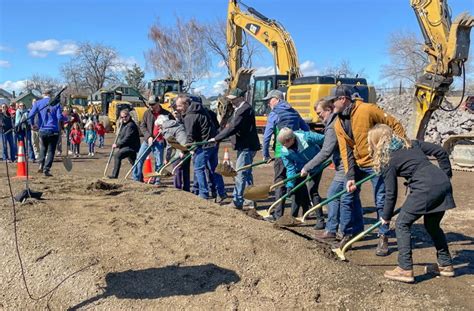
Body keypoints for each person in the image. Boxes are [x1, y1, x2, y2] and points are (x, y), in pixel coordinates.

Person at [367, 124, 455, 283]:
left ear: (375, 141)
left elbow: (391, 194)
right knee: (432, 226)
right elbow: (441, 151)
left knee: (401, 224)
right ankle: (445, 264)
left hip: (424, 187)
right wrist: (445, 175)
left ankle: (405, 268)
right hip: (442, 183)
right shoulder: (411, 143)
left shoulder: (388, 160)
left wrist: (385, 217)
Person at [331, 85, 406, 255]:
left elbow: (394, 124)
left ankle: (383, 236)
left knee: (381, 200)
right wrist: (350, 175)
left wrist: (396, 150)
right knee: (346, 197)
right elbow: (346, 151)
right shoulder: (338, 124)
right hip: (357, 163)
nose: (332, 105)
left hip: (376, 164)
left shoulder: (367, 110)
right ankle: (350, 232)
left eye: (333, 101)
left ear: (343, 99)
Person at [302, 98, 359, 238]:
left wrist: (307, 167)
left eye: (320, 113)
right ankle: (355, 229)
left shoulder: (333, 126)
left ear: (329, 110)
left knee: (333, 194)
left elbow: (326, 151)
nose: (319, 117)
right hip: (347, 163)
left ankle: (333, 230)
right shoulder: (334, 122)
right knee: (351, 198)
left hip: (346, 165)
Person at [262, 89, 310, 221]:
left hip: (281, 152)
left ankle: (278, 214)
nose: (268, 103)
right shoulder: (294, 112)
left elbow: (267, 136)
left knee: (280, 182)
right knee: (298, 179)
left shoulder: (275, 113)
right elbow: (306, 129)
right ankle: (301, 211)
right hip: (297, 152)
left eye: (269, 100)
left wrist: (265, 154)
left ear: (276, 99)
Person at [211, 88, 261, 209]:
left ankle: (237, 201)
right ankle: (250, 201)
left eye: (233, 99)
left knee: (240, 173)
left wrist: (217, 138)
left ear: (241, 98)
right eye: (230, 99)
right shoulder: (239, 109)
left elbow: (233, 127)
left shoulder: (244, 109)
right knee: (246, 173)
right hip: (246, 146)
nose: (231, 102)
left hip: (246, 147)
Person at [175, 94, 226, 200]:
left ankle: (203, 194)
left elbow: (190, 136)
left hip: (203, 146)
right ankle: (221, 192)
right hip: (212, 144)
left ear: (186, 104)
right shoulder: (202, 110)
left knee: (198, 169)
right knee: (214, 169)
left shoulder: (190, 116)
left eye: (179, 106)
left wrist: (185, 150)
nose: (177, 108)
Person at [277, 127, 324, 218]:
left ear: (290, 139)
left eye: (284, 143)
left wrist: (327, 155)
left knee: (313, 190)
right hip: (301, 167)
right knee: (296, 189)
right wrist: (290, 185)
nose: (283, 146)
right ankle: (293, 217)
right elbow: (290, 168)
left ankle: (320, 220)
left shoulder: (306, 137)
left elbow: (326, 140)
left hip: (316, 165)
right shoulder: (284, 151)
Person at [132, 95, 173, 184]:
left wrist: (165, 130)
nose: (151, 106)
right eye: (149, 104)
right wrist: (148, 136)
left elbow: (173, 126)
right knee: (139, 159)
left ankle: (157, 181)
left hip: (159, 142)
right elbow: (142, 126)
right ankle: (136, 179)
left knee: (158, 162)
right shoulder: (147, 113)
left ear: (158, 103)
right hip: (148, 141)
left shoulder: (167, 114)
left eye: (153, 104)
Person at [28, 89, 67, 176]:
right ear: (51, 94)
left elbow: (30, 115)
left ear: (43, 94)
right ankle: (46, 169)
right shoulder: (56, 103)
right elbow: (59, 117)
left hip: (42, 130)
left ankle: (41, 164)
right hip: (53, 130)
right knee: (51, 151)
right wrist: (66, 118)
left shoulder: (38, 103)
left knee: (43, 148)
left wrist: (32, 124)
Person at [108, 109, 140, 179]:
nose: (124, 118)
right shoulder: (124, 124)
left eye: (125, 116)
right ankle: (140, 177)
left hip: (131, 147)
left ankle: (114, 175)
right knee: (133, 162)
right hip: (127, 146)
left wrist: (117, 144)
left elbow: (127, 138)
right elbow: (121, 135)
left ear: (129, 116)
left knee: (117, 155)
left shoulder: (131, 125)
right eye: (122, 117)